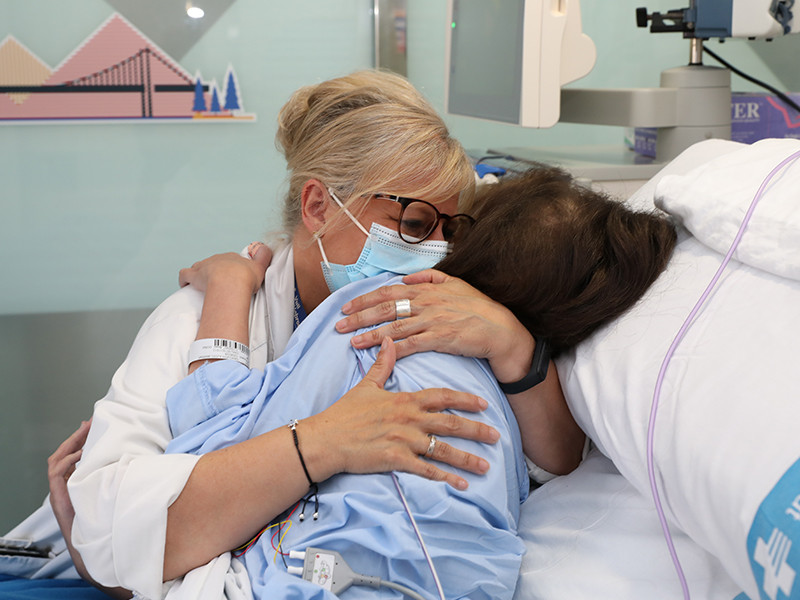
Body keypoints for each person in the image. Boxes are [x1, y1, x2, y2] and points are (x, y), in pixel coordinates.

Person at [49, 69, 572, 600]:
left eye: (449, 230)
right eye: (414, 225)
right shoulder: (193, 321)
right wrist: (324, 441)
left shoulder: (444, 308)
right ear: (318, 206)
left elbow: (553, 464)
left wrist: (513, 345)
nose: (436, 250)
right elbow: (112, 541)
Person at [160, 166, 678, 599]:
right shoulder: (520, 388)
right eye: (416, 222)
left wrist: (229, 284)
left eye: (445, 227)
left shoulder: (385, 314)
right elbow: (557, 463)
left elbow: (211, 439)